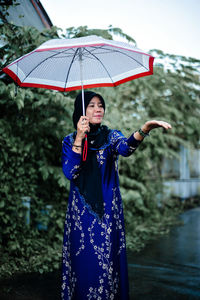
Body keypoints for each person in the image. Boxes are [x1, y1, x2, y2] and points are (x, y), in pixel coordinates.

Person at [61, 91, 171, 300]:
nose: (98, 109)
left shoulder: (110, 136)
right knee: (83, 262)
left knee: (106, 261)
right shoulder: (69, 140)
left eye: (100, 105)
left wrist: (145, 128)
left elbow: (126, 148)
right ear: (80, 111)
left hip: (108, 212)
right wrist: (79, 137)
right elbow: (70, 172)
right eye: (91, 105)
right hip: (80, 215)